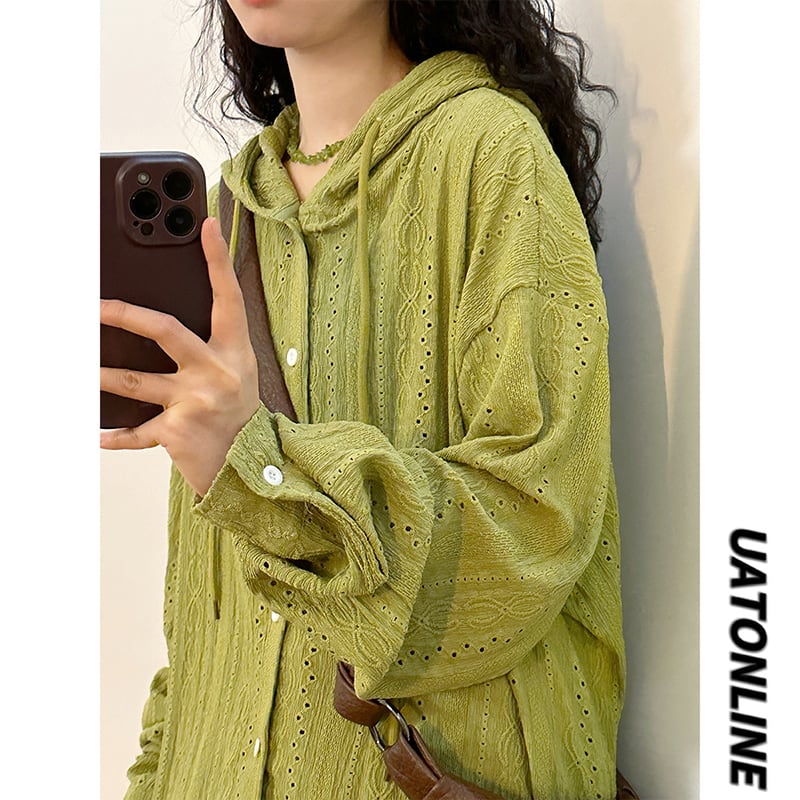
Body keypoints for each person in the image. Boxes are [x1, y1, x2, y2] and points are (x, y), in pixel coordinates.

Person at [100, 1, 625, 798]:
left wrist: (262, 472)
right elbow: (205, 614)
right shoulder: (226, 216)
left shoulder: (492, 156)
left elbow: (534, 529)